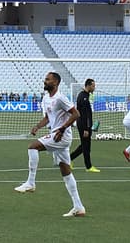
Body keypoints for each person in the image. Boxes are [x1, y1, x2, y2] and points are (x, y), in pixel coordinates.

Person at [13, 72, 86, 219]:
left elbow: (76, 114)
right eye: (45, 79)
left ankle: (30, 183)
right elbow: (47, 117)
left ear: (56, 82)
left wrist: (63, 128)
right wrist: (37, 126)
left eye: (48, 79)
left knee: (32, 147)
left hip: (61, 136)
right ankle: (78, 207)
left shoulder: (60, 98)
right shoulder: (46, 98)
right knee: (65, 171)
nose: (45, 81)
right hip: (57, 135)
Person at [68, 78, 95, 172]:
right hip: (83, 125)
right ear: (88, 85)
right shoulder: (83, 96)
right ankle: (89, 167)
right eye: (93, 86)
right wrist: (86, 129)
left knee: (84, 146)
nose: (94, 88)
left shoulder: (85, 95)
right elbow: (84, 114)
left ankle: (69, 159)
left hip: (84, 125)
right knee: (86, 147)